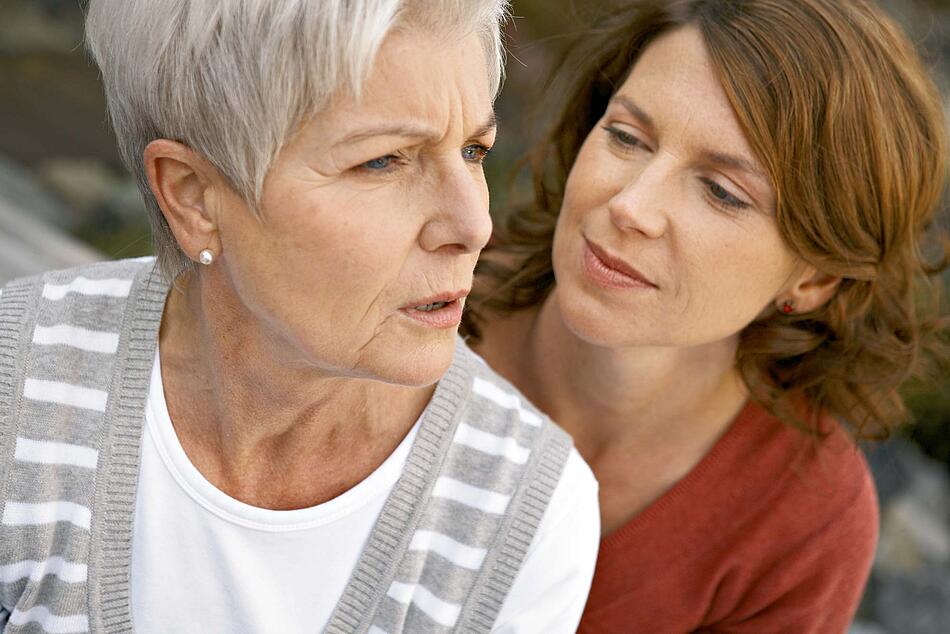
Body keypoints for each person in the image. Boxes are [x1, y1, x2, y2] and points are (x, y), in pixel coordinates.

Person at [0, 1, 600, 632]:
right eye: (384, 160)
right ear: (192, 195)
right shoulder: (17, 382)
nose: (474, 225)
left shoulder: (519, 513)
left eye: (475, 150)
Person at [466, 0, 948, 631]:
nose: (632, 206)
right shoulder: (414, 298)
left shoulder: (804, 517)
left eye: (723, 192)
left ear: (817, 277)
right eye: (626, 137)